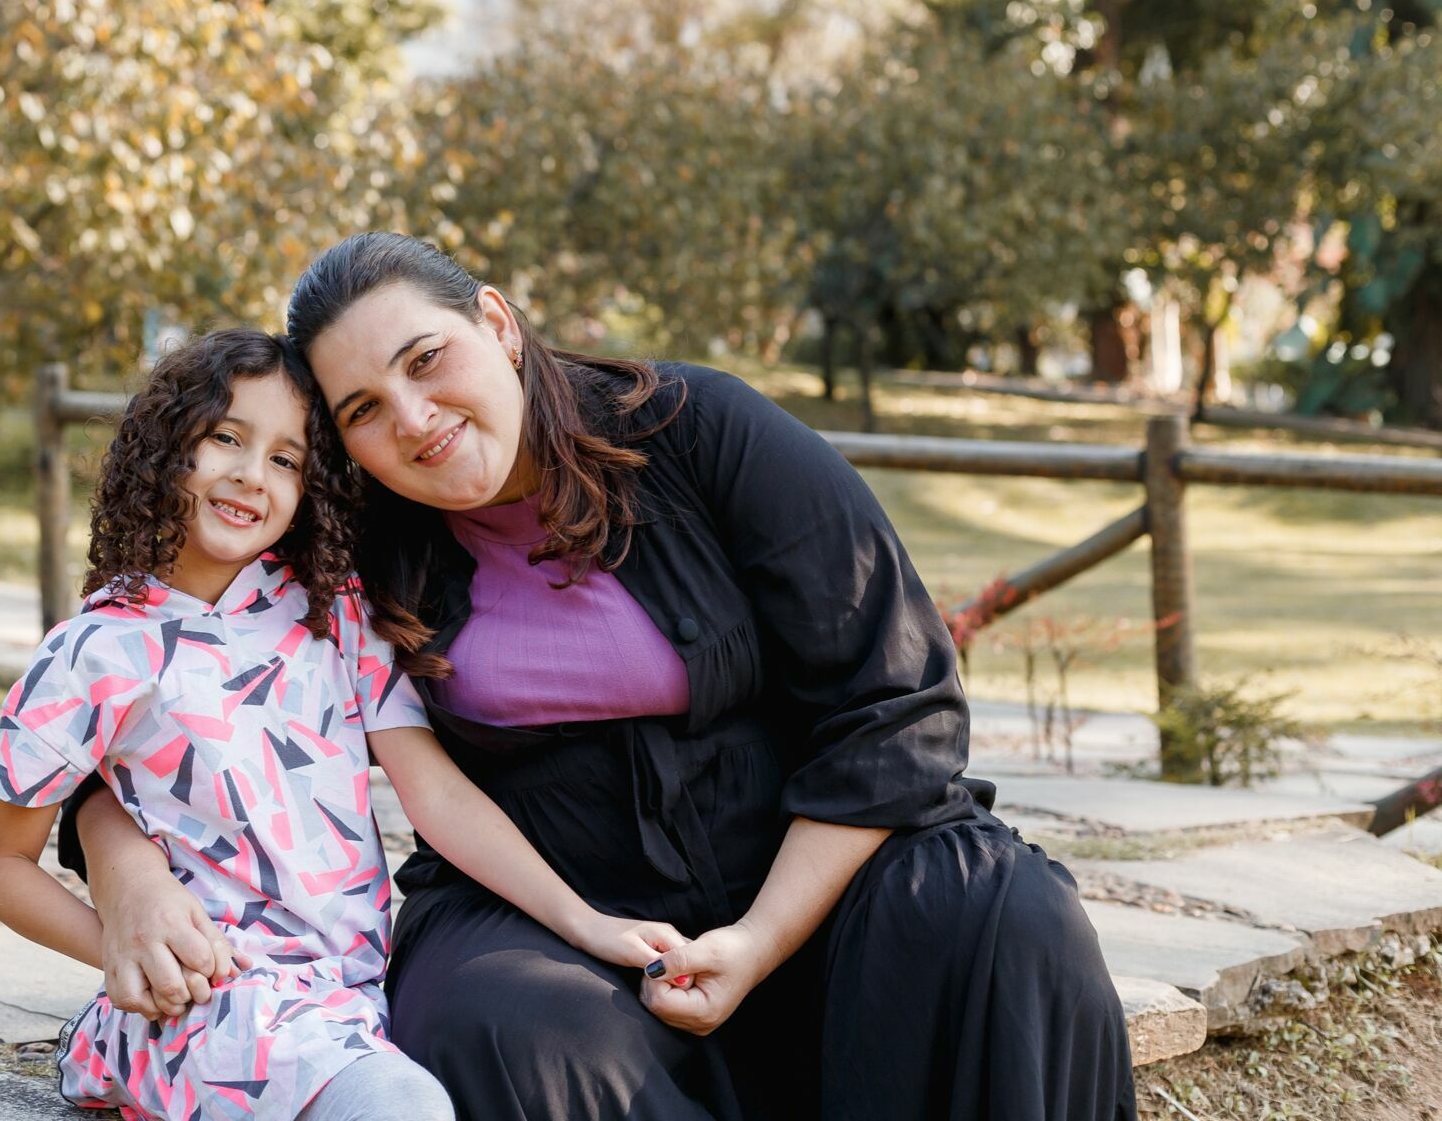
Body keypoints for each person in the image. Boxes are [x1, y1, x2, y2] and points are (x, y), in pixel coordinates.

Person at [63, 237, 1138, 1120]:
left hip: (805, 869)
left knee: (1009, 914)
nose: (415, 418)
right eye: (364, 410)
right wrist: (125, 870)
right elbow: (150, 679)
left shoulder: (703, 430)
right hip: (542, 895)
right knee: (497, 1026)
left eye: (425, 359)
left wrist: (758, 941)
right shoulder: (357, 539)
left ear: (496, 321)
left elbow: (897, 702)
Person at [0, 328, 682, 1121]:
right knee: (401, 1106)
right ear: (164, 446)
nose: (249, 474)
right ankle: (115, 1044)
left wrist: (584, 921)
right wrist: (122, 948)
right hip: (214, 1004)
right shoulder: (91, 653)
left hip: (354, 993)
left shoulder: (330, 611)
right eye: (225, 438)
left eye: (285, 458)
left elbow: (436, 796)